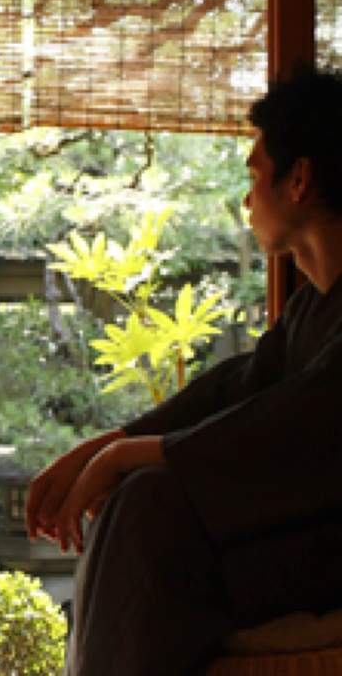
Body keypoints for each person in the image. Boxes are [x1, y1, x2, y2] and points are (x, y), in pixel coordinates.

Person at [26, 62, 342, 675]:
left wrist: (130, 457)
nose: (248, 200)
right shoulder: (314, 305)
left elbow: (304, 421)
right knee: (142, 497)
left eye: (256, 176)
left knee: (149, 506)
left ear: (298, 179)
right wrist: (110, 444)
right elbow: (240, 387)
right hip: (297, 537)